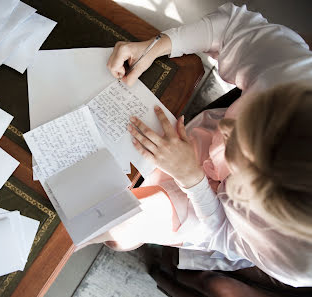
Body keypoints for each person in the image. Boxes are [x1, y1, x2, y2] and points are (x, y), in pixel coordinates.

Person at [87, 2, 312, 287]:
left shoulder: (298, 258)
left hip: (211, 211)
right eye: (245, 118)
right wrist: (157, 46)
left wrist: (193, 180)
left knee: (116, 226)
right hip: (194, 144)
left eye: (236, 149)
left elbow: (222, 233)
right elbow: (232, 27)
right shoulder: (296, 77)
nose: (226, 125)